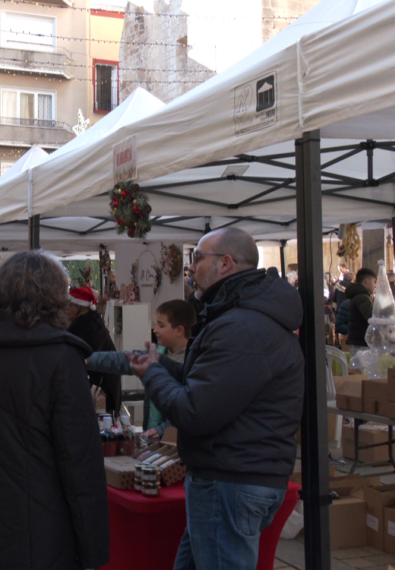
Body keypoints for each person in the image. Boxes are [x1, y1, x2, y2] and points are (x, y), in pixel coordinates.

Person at [128, 227, 303, 570]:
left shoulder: (242, 326)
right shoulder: (243, 318)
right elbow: (215, 386)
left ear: (225, 263)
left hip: (231, 480)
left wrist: (152, 375)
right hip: (231, 475)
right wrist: (162, 365)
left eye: (197, 259)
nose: (191, 268)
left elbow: (195, 410)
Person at [0, 251, 109, 570]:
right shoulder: (60, 357)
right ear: (54, 297)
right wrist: (93, 552)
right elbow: (80, 464)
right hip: (42, 534)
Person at [86, 299, 197, 440]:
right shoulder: (156, 354)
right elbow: (122, 360)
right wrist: (87, 360)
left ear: (180, 330)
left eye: (161, 325)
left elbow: (192, 408)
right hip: (155, 441)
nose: (155, 329)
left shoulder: (196, 363)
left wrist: (165, 428)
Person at [66, 287, 122, 413]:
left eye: (70, 305)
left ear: (79, 307)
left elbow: (90, 357)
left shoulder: (92, 327)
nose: (66, 309)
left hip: (102, 387)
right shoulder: (83, 324)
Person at [344, 268, 377, 350]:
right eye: (374, 282)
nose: (375, 285)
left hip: (357, 342)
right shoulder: (363, 297)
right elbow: (372, 317)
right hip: (361, 343)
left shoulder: (357, 295)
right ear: (367, 280)